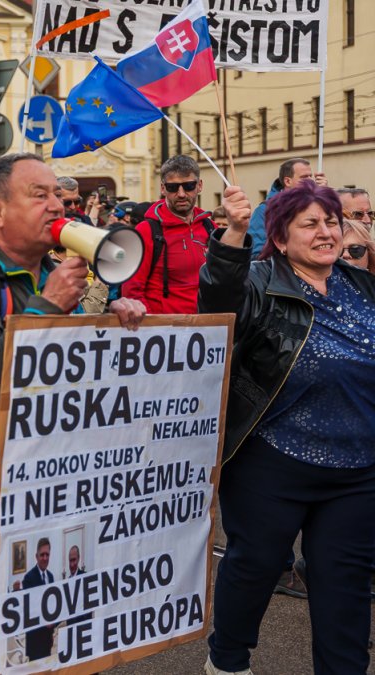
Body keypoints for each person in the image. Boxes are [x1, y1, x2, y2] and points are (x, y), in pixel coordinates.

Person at [0, 152, 145, 673]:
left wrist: (114, 321)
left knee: (45, 629)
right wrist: (47, 307)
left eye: (58, 195)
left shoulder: (56, 276)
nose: (57, 204)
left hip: (48, 488)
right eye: (38, 195)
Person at [200, 180, 375, 675]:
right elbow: (220, 302)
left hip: (358, 468)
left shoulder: (360, 283)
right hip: (272, 463)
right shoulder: (259, 281)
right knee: (255, 567)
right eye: (311, 224)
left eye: (332, 222)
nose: (326, 232)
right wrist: (234, 234)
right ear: (279, 238)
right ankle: (227, 659)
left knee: (346, 583)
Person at [122, 155, 217, 314]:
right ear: (163, 188)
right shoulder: (147, 231)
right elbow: (132, 290)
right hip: (165, 333)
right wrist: (155, 328)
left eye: (188, 186)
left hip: (206, 329)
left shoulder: (210, 227)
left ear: (199, 186)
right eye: (173, 187)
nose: (181, 194)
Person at [247, 158, 326, 258]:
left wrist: (324, 196)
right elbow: (256, 254)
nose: (310, 180)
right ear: (288, 181)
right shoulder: (264, 211)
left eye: (311, 176)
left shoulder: (316, 205)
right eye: (304, 177)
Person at [22, 538, 56, 661]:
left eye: (47, 554)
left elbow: (51, 606)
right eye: (42, 555)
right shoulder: (28, 578)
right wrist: (43, 622)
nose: (45, 558)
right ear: (36, 556)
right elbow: (29, 609)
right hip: (35, 639)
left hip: (47, 639)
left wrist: (51, 631)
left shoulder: (51, 577)